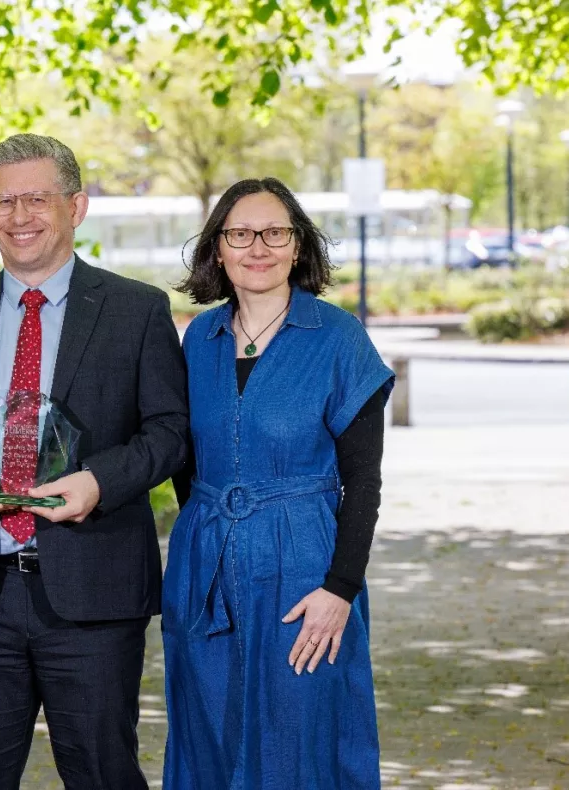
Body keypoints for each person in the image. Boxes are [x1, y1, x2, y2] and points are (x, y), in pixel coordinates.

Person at [0, 133, 188, 789]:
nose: (19, 216)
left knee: (103, 774)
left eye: (36, 199)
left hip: (94, 590)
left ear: (76, 206)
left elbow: (171, 433)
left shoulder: (135, 311)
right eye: (5, 201)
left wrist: (98, 482)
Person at [162, 177, 393, 789]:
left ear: (298, 247)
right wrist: (211, 542)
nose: (256, 247)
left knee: (302, 739)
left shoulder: (339, 339)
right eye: (239, 233)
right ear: (218, 249)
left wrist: (339, 589)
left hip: (304, 575)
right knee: (209, 733)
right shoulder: (198, 341)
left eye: (275, 232)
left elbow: (362, 484)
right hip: (205, 573)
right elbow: (189, 467)